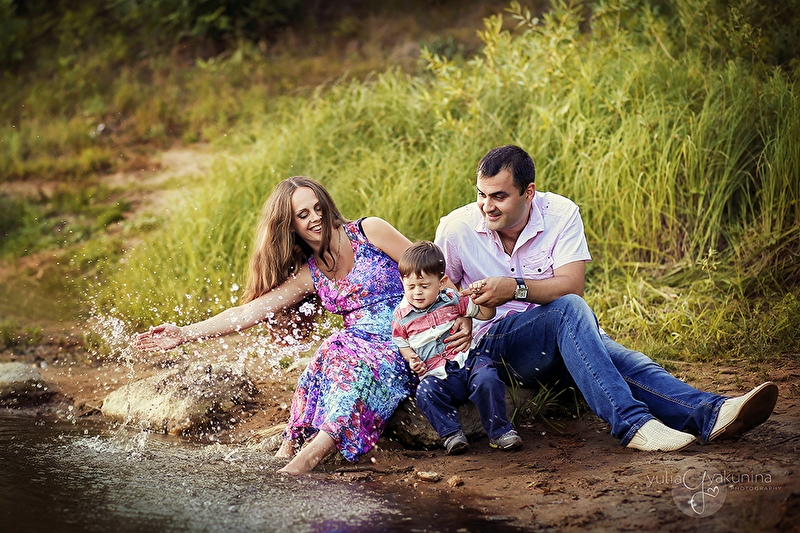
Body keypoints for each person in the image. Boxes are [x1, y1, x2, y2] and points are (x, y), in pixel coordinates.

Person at [434, 144, 779, 452]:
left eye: (498, 197)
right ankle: (633, 424)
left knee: (621, 358)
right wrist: (463, 314)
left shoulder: (560, 214)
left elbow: (571, 285)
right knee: (574, 317)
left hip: (561, 334)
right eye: (481, 194)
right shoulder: (457, 228)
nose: (487, 206)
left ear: (529, 193)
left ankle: (712, 415)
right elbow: (434, 292)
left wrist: (514, 287)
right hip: (495, 344)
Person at [134, 176, 470, 474]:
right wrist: (185, 333)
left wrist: (462, 315)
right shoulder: (310, 274)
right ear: (290, 225)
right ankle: (289, 445)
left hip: (407, 338)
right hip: (358, 343)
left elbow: (434, 272)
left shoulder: (370, 231)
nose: (315, 218)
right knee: (331, 350)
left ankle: (308, 458)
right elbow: (248, 312)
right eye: (303, 214)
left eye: (317, 208)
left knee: (354, 365)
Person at [391, 241, 522, 454]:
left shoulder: (452, 299)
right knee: (425, 392)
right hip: (437, 375)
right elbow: (402, 344)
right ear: (402, 282)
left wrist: (482, 300)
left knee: (487, 379)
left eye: (424, 286)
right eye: (411, 287)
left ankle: (500, 432)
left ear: (442, 282)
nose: (417, 293)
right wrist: (411, 359)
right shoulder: (401, 317)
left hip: (467, 361)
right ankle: (452, 435)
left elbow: (485, 314)